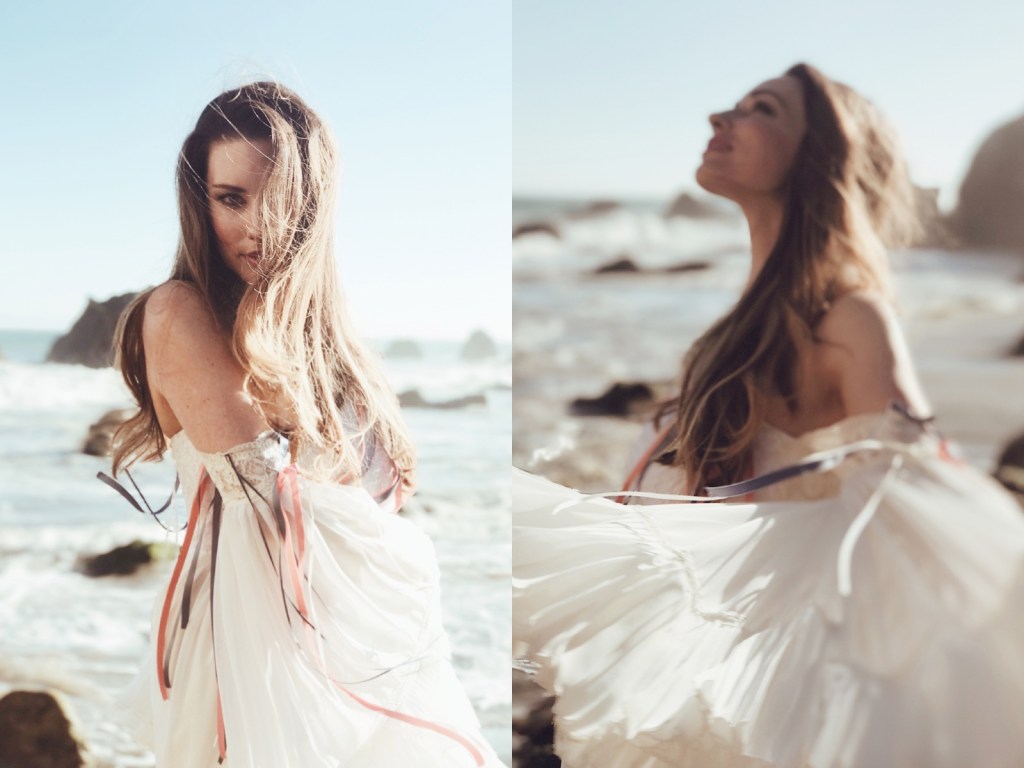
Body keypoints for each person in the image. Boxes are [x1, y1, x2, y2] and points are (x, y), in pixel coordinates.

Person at [512, 63, 1024, 767]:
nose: (719, 118)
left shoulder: (848, 316)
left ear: (817, 159)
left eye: (761, 109)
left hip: (772, 683)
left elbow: (917, 485)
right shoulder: (741, 325)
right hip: (711, 660)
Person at [108, 82, 503, 768]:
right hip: (252, 668)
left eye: (279, 197)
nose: (257, 225)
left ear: (315, 203)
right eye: (231, 198)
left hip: (357, 665)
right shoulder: (177, 312)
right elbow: (271, 500)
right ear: (200, 203)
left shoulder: (340, 355)